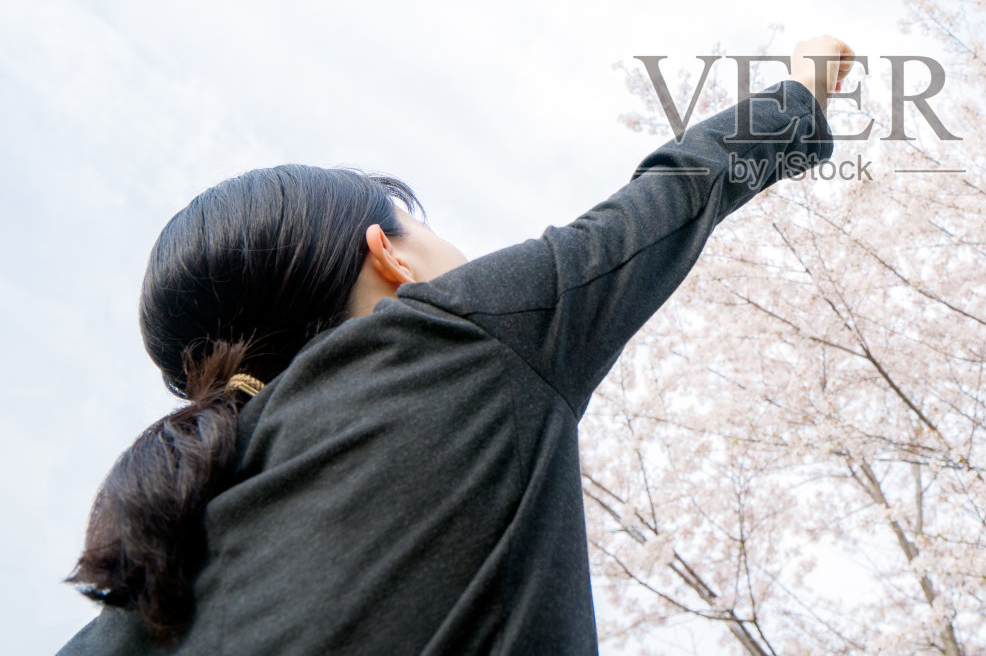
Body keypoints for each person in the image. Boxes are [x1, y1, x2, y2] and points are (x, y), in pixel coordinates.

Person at [58, 36, 854, 655]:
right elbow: (675, 192)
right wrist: (803, 88)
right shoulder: (455, 341)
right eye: (425, 226)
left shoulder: (155, 566)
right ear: (389, 255)